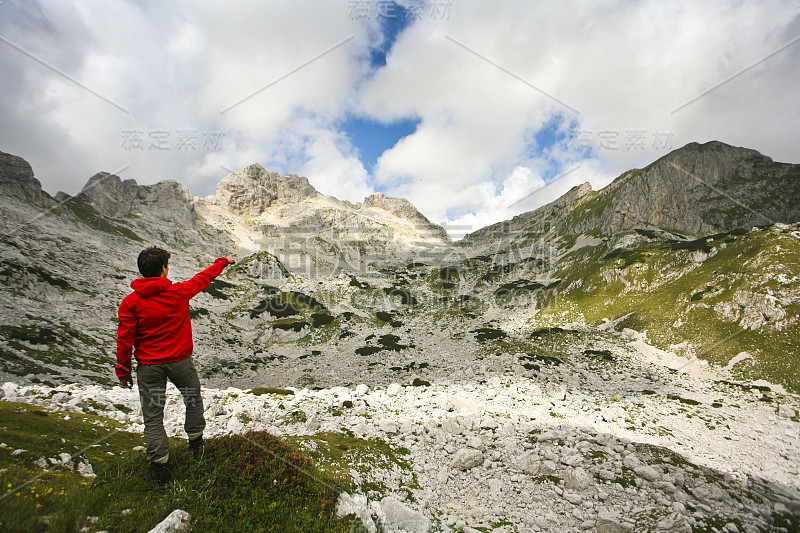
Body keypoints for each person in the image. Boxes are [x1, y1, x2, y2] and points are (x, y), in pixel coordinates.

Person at [116, 246, 236, 484]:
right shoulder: (178, 292)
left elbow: (124, 339)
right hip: (180, 363)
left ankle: (159, 466)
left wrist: (123, 371)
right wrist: (223, 261)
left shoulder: (130, 303)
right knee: (192, 399)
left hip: (149, 367)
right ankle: (196, 445)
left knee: (153, 415)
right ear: (163, 269)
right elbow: (203, 278)